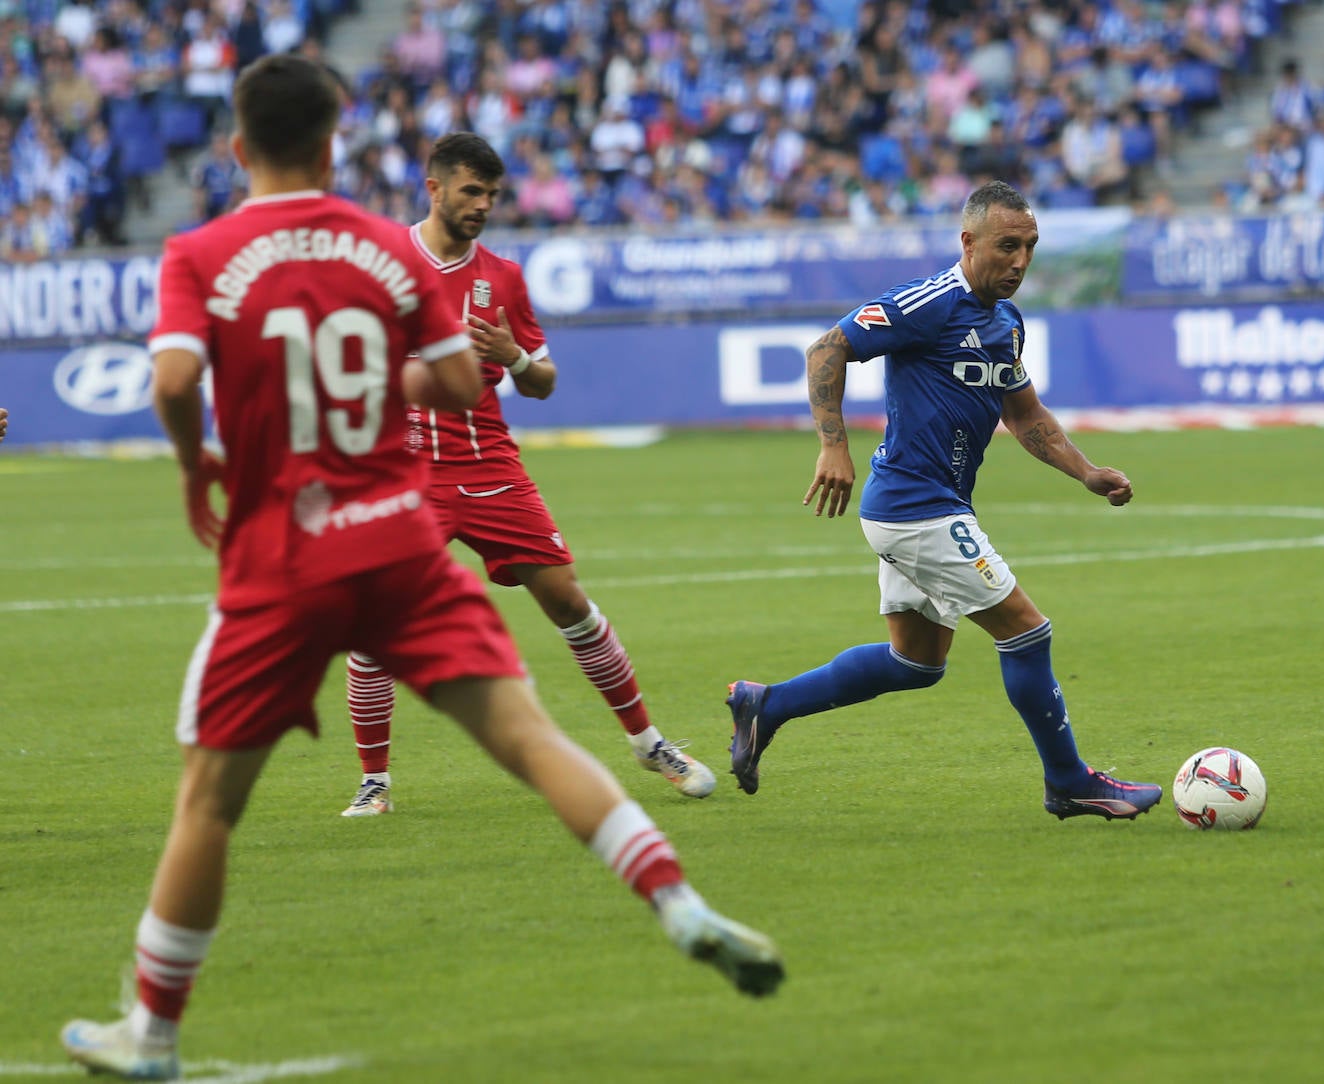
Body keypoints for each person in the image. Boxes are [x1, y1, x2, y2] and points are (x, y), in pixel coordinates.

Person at [59, 54, 782, 1083]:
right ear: (330, 148)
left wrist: (195, 463)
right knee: (528, 736)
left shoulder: (199, 251)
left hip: (283, 548)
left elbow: (173, 376)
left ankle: (152, 1030)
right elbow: (451, 380)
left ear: (235, 148)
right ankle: (681, 900)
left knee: (208, 804)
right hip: (398, 524)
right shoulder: (376, 248)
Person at [724, 180, 1163, 823]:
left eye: (1030, 247)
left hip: (924, 506)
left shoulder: (1006, 323)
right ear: (968, 241)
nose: (1019, 261)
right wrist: (832, 445)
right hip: (916, 507)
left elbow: (1026, 414)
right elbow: (829, 347)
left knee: (916, 662)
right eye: (1006, 245)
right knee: (1026, 631)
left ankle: (767, 705)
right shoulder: (931, 301)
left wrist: (1086, 472)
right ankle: (1069, 782)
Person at [339, 131, 715, 818]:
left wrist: (514, 356)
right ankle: (375, 782)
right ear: (434, 189)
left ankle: (648, 743)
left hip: (488, 466)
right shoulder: (381, 262)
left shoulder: (502, 278)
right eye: (470, 191)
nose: (482, 205)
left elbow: (542, 382)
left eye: (492, 194)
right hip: (404, 473)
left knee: (568, 601)